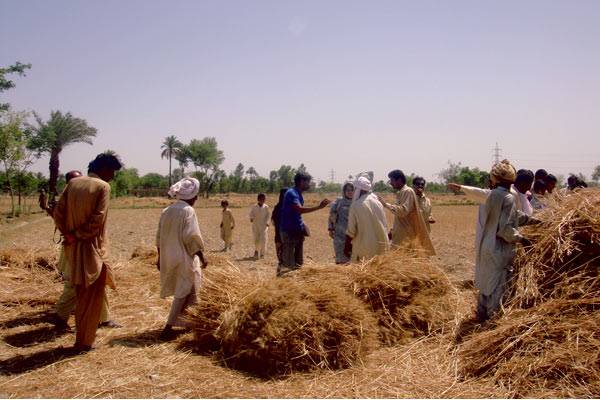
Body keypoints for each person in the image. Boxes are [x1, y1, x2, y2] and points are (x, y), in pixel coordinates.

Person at [53, 153, 123, 352]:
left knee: (80, 292)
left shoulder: (73, 184)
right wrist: (78, 234)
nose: (113, 176)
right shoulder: (103, 187)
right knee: (91, 297)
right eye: (112, 172)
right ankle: (83, 342)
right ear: (104, 169)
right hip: (92, 248)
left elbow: (58, 213)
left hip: (72, 248)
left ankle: (82, 339)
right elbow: (97, 219)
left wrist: (69, 235)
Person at [475, 159, 530, 322]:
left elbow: (515, 217)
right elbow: (505, 229)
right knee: (498, 285)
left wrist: (533, 220)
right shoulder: (508, 197)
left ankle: (481, 315)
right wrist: (522, 239)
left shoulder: (490, 195)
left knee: (486, 282)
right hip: (499, 249)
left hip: (485, 245)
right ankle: (493, 320)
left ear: (494, 178)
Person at [156, 177, 208, 340]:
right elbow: (191, 237)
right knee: (183, 290)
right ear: (193, 196)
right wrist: (202, 255)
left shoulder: (167, 210)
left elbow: (159, 237)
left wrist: (159, 258)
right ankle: (168, 327)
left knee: (192, 289)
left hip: (168, 256)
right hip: (184, 256)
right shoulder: (188, 211)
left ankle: (190, 323)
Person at [278, 172, 330, 276]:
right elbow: (299, 210)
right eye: (308, 182)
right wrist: (319, 207)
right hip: (289, 232)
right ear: (302, 182)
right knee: (288, 264)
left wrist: (303, 225)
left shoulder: (298, 193)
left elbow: (296, 214)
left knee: (298, 264)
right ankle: (283, 285)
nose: (309, 184)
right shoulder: (292, 193)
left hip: (297, 231)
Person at [377, 170, 435, 255]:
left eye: (392, 180)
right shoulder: (402, 192)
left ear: (399, 180)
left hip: (405, 237)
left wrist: (386, 205)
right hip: (401, 235)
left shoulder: (407, 191)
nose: (391, 183)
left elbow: (403, 211)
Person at [344, 177, 389, 262]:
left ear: (359, 190)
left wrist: (346, 248)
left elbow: (351, 231)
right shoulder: (378, 203)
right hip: (381, 246)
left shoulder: (356, 206)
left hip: (364, 249)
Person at [328, 182, 354, 264]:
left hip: (352, 233)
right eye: (348, 190)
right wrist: (330, 229)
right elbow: (332, 215)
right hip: (339, 233)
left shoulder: (357, 202)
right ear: (344, 191)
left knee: (352, 255)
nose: (350, 192)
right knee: (340, 253)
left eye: (352, 190)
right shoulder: (338, 201)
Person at [249, 193, 271, 259]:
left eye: (264, 199)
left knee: (263, 240)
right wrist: (251, 218)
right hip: (255, 225)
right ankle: (256, 251)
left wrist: (267, 222)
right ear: (258, 199)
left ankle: (262, 254)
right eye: (261, 199)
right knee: (256, 239)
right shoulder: (254, 206)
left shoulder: (266, 207)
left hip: (264, 226)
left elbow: (268, 215)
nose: (262, 200)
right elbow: (251, 213)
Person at [271, 188, 287, 267]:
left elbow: (273, 221)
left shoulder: (277, 207)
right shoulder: (278, 207)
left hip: (282, 232)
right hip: (281, 233)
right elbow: (273, 220)